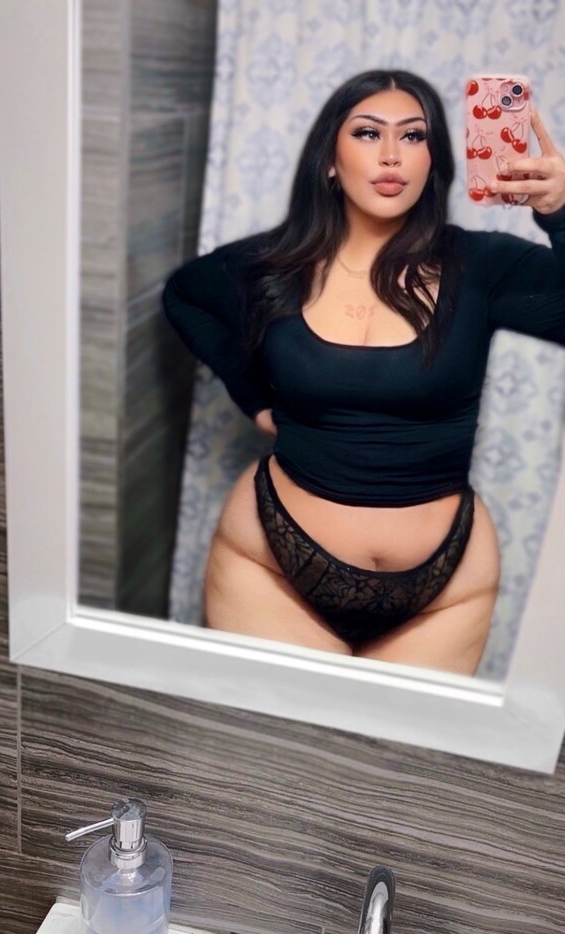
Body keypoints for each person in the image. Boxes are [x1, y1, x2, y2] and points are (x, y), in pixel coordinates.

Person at [162, 69, 565, 675]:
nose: (391, 155)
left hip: (444, 591)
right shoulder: (273, 265)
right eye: (368, 133)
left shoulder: (483, 266)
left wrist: (561, 214)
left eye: (413, 136)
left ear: (433, 161)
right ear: (330, 159)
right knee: (273, 736)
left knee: (396, 742)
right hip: (272, 567)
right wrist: (254, 399)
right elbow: (186, 296)